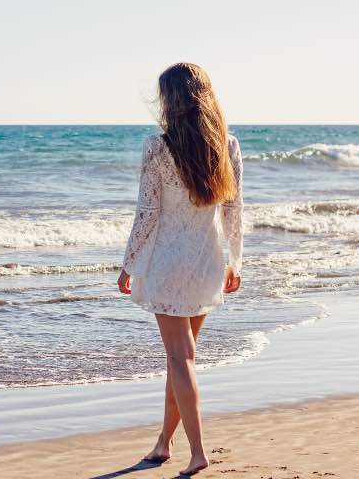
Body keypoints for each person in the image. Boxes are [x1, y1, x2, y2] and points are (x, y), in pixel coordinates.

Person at [117, 62, 243, 476]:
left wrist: (128, 263)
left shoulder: (157, 147)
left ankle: (198, 452)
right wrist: (235, 260)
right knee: (182, 360)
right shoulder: (227, 145)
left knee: (179, 358)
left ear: (170, 100)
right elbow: (233, 211)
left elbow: (147, 213)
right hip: (207, 263)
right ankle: (163, 443)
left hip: (168, 264)